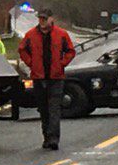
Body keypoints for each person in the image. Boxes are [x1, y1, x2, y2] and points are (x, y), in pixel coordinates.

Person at [18, 8, 75, 150]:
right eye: (40, 18)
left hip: (56, 77)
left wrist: (62, 64)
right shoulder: (31, 35)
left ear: (51, 19)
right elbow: (22, 50)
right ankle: (47, 137)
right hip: (39, 78)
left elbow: (70, 51)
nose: (42, 21)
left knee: (54, 108)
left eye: (44, 18)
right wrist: (31, 63)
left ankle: (54, 139)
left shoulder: (61, 34)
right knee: (43, 109)